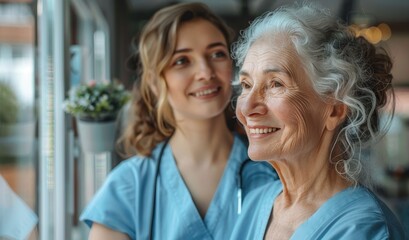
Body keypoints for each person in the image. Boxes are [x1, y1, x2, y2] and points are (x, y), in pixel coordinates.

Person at [79, 2, 277, 240]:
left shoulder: (272, 171)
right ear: (155, 81)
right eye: (182, 61)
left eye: (217, 54)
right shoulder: (128, 187)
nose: (205, 71)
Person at [230, 3, 405, 239]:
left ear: (334, 109)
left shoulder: (363, 229)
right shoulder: (256, 203)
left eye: (275, 84)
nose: (247, 108)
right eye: (246, 85)